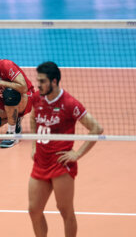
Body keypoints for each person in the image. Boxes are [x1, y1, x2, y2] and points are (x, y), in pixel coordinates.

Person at [28, 61, 104, 237]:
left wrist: (77, 154)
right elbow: (33, 118)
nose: (38, 85)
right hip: (40, 162)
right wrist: (33, 144)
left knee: (64, 210)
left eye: (42, 81)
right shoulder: (37, 98)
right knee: (34, 210)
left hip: (61, 165)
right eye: (38, 80)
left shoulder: (70, 103)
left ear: (54, 81)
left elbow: (96, 129)